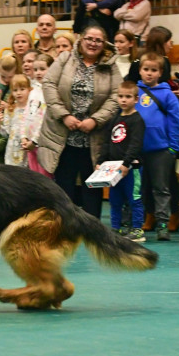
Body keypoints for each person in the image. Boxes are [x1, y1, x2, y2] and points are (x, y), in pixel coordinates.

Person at [38, 25, 121, 217]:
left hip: (93, 138)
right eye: (89, 39)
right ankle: (65, 227)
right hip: (62, 135)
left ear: (104, 43)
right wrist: (64, 115)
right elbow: (49, 84)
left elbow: (116, 95)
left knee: (92, 187)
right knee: (63, 186)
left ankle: (92, 230)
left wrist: (95, 120)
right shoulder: (65, 58)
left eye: (98, 40)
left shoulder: (111, 66)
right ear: (81, 39)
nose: (93, 43)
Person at [134, 53, 179, 242]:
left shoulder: (167, 94)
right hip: (137, 149)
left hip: (161, 149)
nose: (149, 73)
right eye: (146, 69)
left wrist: (172, 147)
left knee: (161, 188)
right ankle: (136, 222)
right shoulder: (134, 91)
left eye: (153, 70)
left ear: (160, 72)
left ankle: (163, 224)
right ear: (140, 70)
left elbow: (176, 120)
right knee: (137, 187)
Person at [100, 80, 146, 241]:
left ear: (136, 99)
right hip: (114, 169)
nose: (123, 100)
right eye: (120, 96)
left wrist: (126, 163)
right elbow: (107, 141)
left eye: (128, 96)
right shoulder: (114, 119)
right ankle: (116, 228)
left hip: (131, 168)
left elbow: (135, 144)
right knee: (115, 199)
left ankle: (137, 228)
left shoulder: (137, 120)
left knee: (134, 198)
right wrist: (101, 160)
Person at [21, 53, 53, 177]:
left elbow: (45, 119)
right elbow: (25, 115)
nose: (38, 73)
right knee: (34, 177)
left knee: (45, 178)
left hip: (42, 144)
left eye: (42, 69)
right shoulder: (33, 91)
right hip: (30, 144)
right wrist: (23, 136)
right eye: (35, 70)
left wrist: (34, 140)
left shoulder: (50, 92)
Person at [2, 75, 32, 167]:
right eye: (15, 90)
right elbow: (6, 132)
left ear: (29, 90)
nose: (18, 93)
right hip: (12, 149)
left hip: (27, 147)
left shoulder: (32, 108)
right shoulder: (10, 109)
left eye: (22, 89)